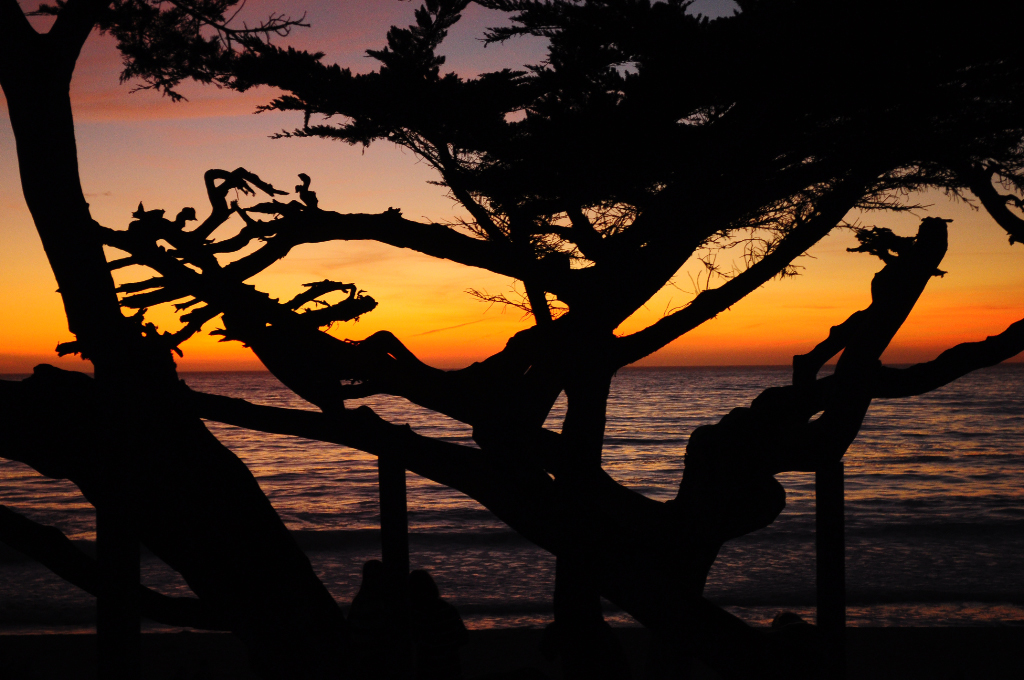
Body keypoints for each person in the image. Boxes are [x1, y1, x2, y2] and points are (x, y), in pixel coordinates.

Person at [409, 569, 469, 679]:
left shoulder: (417, 614)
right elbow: (464, 637)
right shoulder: (449, 609)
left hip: (429, 671)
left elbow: (417, 641)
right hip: (453, 670)